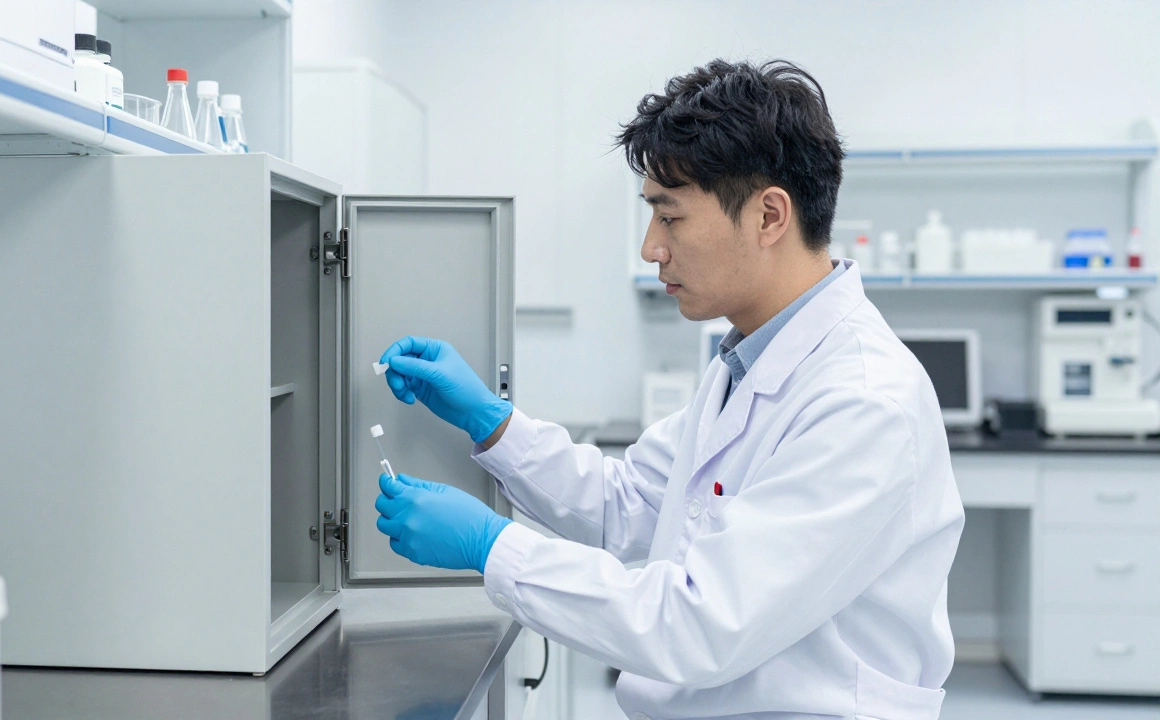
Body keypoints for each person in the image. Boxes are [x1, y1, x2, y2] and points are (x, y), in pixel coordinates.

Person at [372, 58, 965, 720]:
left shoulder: (862, 402)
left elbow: (699, 624)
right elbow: (632, 507)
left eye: (670, 217)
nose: (652, 248)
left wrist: (492, 547)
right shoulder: (745, 360)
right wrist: (492, 424)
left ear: (770, 216)